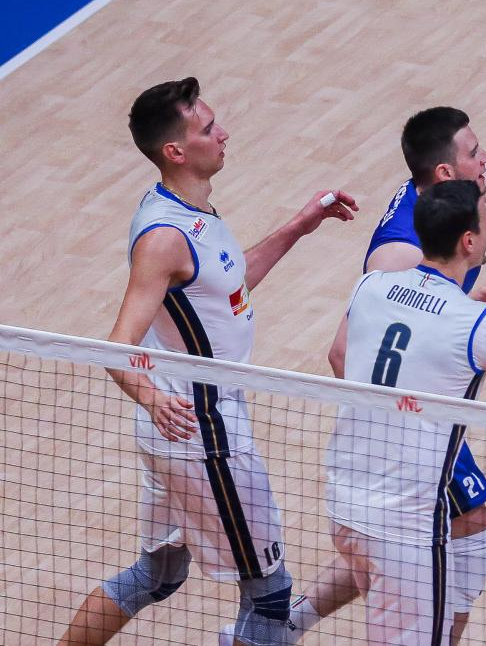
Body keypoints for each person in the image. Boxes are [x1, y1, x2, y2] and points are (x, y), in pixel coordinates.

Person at [274, 106, 486, 643]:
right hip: (404, 434)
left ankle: (289, 624)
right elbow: (341, 354)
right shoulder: (393, 258)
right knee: (467, 537)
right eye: (476, 153)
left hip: (374, 470)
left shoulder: (446, 206)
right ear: (448, 178)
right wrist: (412, 426)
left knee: (411, 546)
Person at [57, 78, 358, 646]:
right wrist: (150, 396)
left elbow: (227, 288)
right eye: (208, 129)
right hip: (203, 430)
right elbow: (116, 345)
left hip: (178, 426)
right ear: (175, 151)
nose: (224, 134)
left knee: (159, 574)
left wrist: (298, 226)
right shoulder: (164, 237)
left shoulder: (188, 211)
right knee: (270, 600)